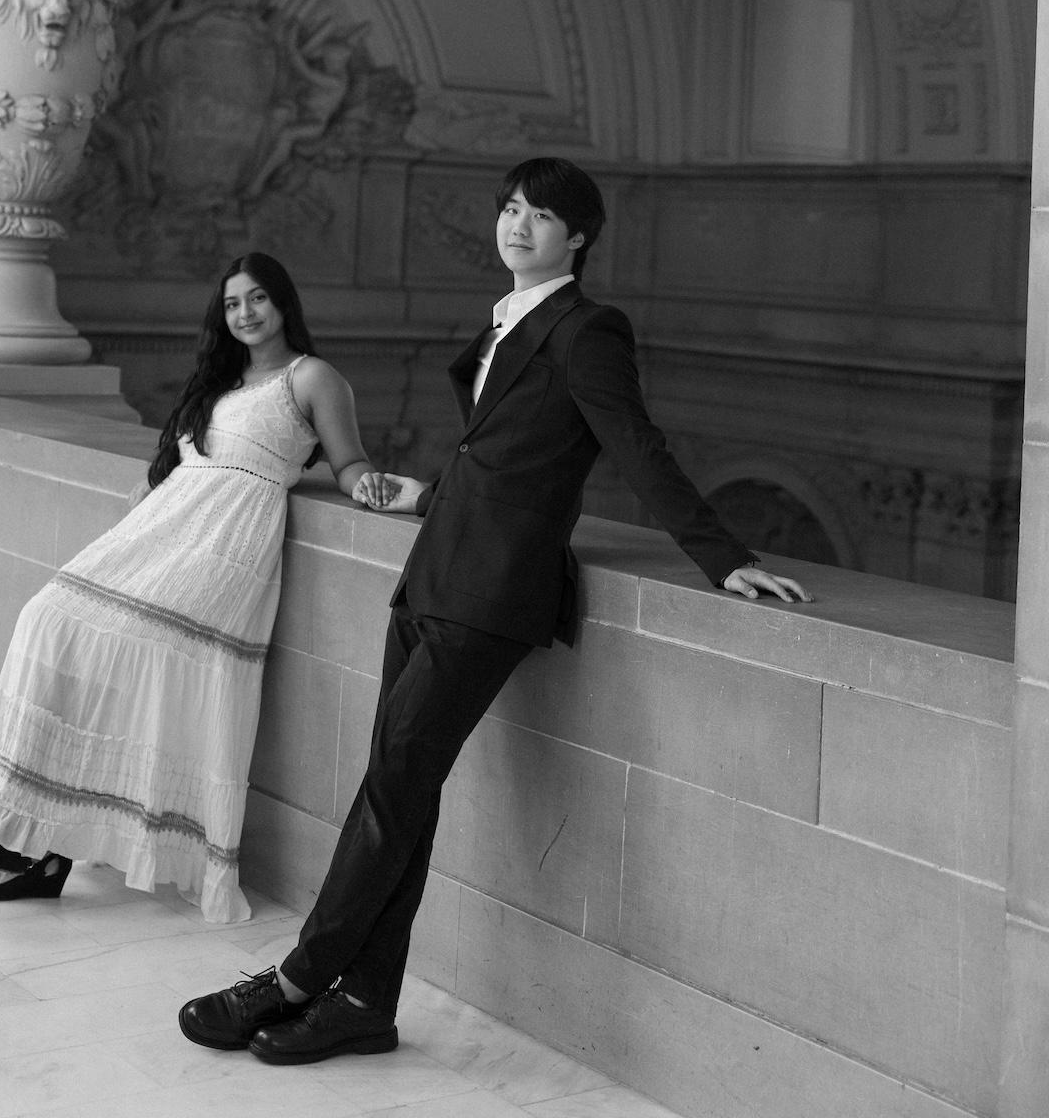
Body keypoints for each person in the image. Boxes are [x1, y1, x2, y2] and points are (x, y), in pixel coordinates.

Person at [180, 156, 813, 1062]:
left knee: (391, 790)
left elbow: (635, 444)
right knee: (400, 794)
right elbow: (502, 459)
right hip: (436, 572)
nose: (518, 226)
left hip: (493, 592)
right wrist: (423, 494)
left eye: (541, 216)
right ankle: (362, 1000)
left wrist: (725, 561)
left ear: (578, 238)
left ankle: (294, 980)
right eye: (512, 208)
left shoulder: (589, 330)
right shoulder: (507, 327)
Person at [0, 252, 395, 922]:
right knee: (46, 617)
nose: (245, 314)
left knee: (103, 648)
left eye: (258, 299)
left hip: (224, 547)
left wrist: (369, 485)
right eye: (232, 304)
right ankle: (24, 834)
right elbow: (172, 470)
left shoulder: (311, 377)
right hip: (164, 530)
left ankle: (31, 842)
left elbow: (348, 461)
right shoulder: (218, 384)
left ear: (284, 303)